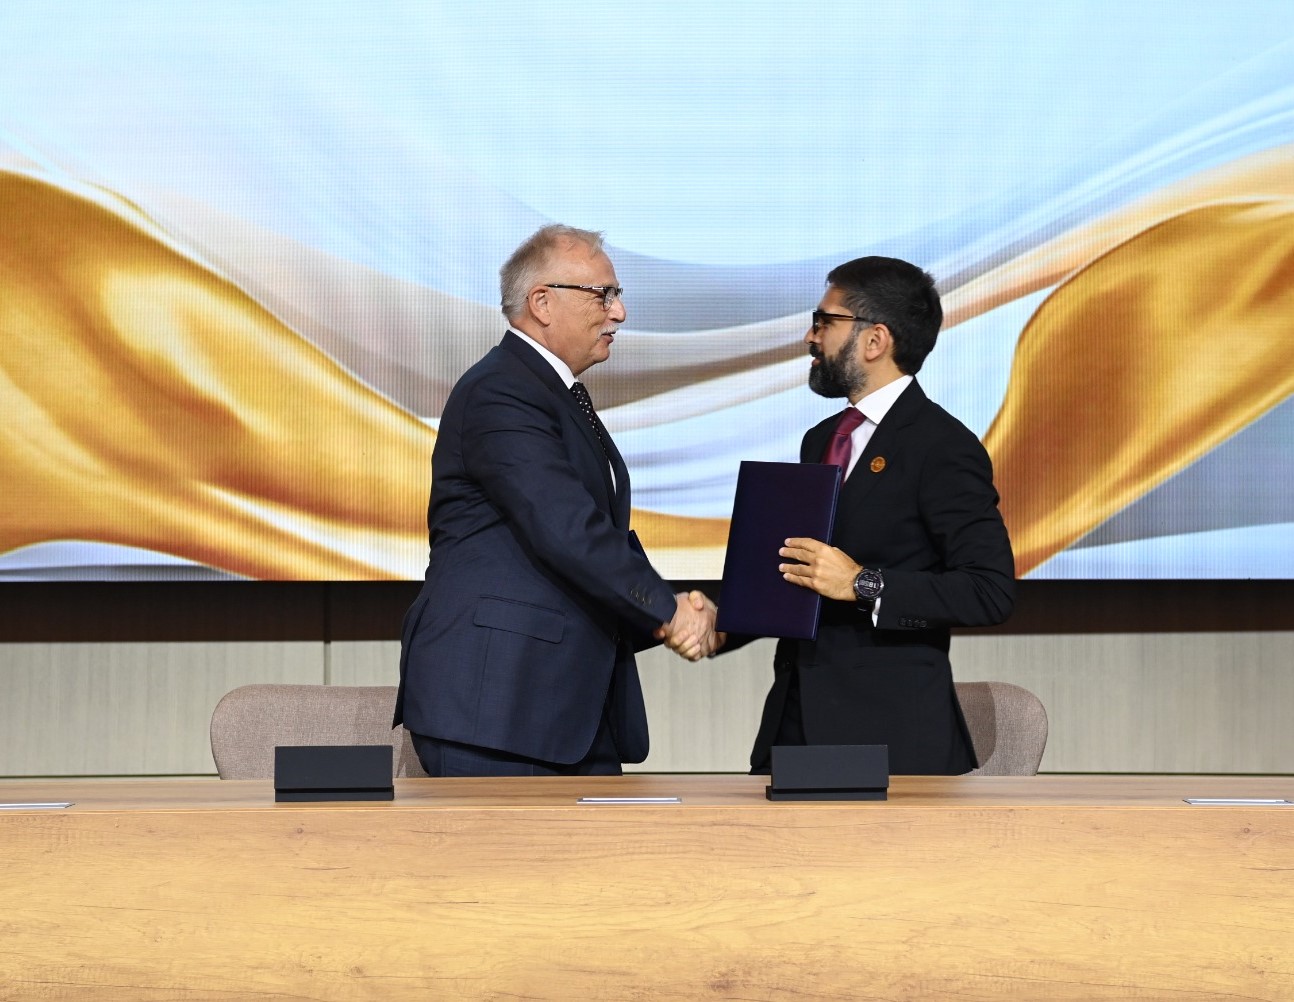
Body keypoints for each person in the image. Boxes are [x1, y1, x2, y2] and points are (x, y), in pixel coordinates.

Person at [394, 224, 716, 777]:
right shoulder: (501, 391)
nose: (619, 313)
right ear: (542, 302)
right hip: (498, 709)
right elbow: (564, 526)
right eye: (603, 295)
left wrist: (669, 612)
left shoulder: (550, 393)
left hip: (563, 708)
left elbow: (593, 533)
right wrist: (667, 610)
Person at [746, 255, 1015, 775]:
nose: (810, 336)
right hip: (795, 726)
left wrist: (863, 583)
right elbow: (808, 575)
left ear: (874, 340)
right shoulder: (821, 439)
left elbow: (989, 590)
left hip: (889, 741)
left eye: (824, 321)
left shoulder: (942, 446)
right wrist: (719, 624)